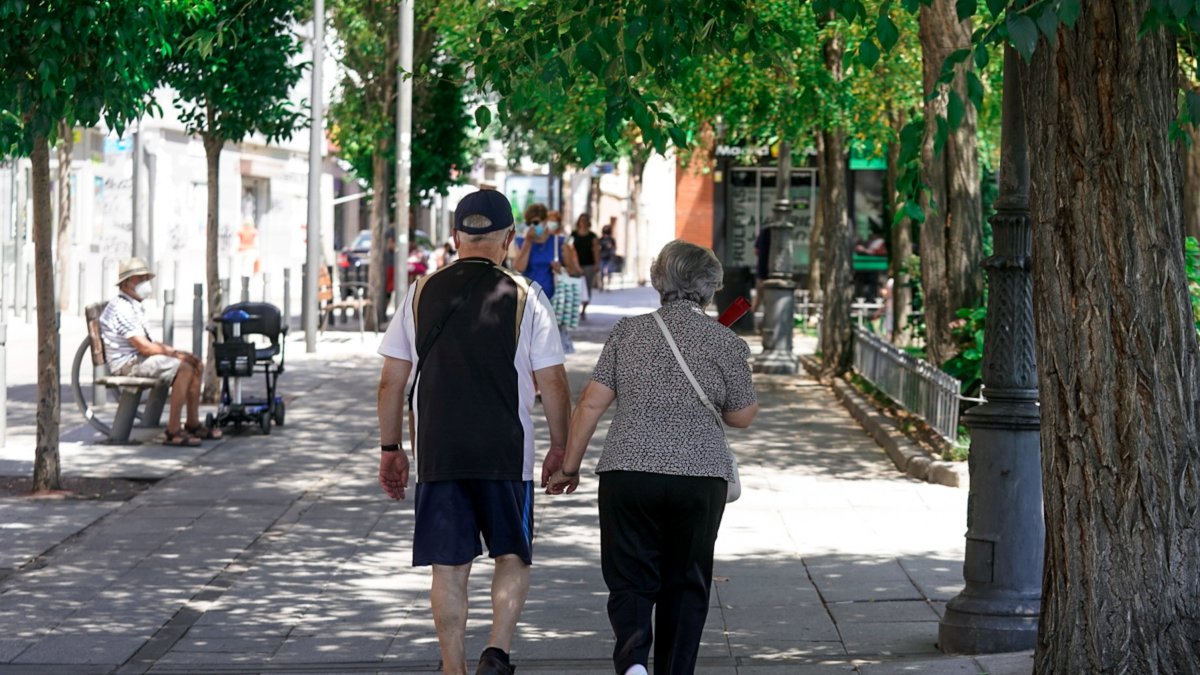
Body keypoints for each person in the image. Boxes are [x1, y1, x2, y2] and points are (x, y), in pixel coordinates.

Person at [377, 189, 572, 675]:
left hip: (439, 451)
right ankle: (497, 651)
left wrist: (391, 448)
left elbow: (391, 380)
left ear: (455, 237)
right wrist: (561, 448)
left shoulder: (420, 292)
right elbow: (553, 381)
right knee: (511, 554)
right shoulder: (527, 295)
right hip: (506, 451)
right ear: (508, 238)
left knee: (449, 565)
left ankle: (453, 667)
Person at [546, 240, 758, 675]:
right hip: (700, 478)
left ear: (659, 281)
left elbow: (589, 404)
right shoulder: (725, 341)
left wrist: (571, 467)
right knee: (687, 581)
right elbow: (741, 417)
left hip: (629, 473)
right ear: (711, 287)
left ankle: (634, 662)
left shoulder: (628, 333)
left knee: (629, 578)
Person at [99, 257, 221, 447]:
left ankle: (192, 423)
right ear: (125, 283)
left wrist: (176, 352)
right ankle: (173, 431)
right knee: (184, 368)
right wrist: (176, 355)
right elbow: (144, 347)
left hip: (138, 359)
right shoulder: (121, 307)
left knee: (195, 363)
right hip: (128, 364)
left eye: (145, 278)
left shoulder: (134, 306)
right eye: (139, 279)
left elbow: (149, 344)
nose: (144, 283)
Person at [513, 205, 582, 353]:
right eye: (530, 223)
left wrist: (560, 269)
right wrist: (528, 242)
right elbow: (519, 267)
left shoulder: (558, 242)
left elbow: (573, 270)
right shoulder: (521, 241)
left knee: (548, 347)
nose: (533, 226)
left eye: (537, 222)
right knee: (529, 345)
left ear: (545, 221)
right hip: (528, 299)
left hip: (552, 299)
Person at [565, 214, 600, 320]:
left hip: (589, 265)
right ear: (579, 222)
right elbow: (568, 248)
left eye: (585, 220)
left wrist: (597, 264)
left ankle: (583, 309)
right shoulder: (573, 235)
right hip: (575, 265)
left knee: (587, 287)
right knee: (575, 287)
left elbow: (596, 250)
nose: (583, 222)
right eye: (581, 220)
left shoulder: (592, 236)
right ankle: (575, 309)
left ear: (588, 222)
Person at [598, 222, 617, 291]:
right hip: (602, 257)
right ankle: (602, 285)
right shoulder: (601, 239)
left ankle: (608, 285)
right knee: (601, 272)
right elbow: (597, 248)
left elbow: (614, 248)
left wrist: (611, 249)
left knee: (609, 271)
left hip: (609, 257)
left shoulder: (612, 240)